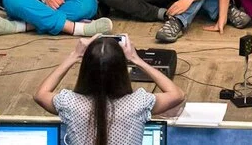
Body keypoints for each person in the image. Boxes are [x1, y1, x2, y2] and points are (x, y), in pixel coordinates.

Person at [34, 35, 185, 145]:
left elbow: (40, 94)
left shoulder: (69, 103)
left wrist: (74, 56)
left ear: (85, 69)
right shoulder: (138, 103)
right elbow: (177, 95)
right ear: (122, 70)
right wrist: (136, 59)